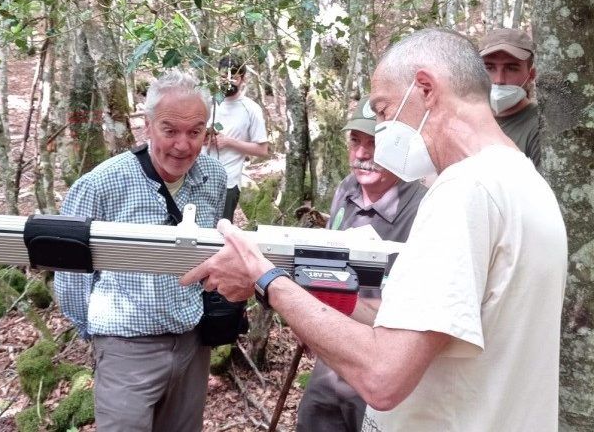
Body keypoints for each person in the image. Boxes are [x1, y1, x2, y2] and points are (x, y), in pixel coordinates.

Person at [183, 29, 568, 431]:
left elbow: (383, 377)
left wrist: (267, 280)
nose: (381, 132)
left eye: (383, 111)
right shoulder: (525, 183)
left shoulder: (463, 191)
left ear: (425, 88)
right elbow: (432, 329)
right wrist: (295, 279)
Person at [54, 70, 227, 432]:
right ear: (147, 127)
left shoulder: (213, 177)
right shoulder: (100, 185)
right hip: (126, 347)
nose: (183, 145)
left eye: (195, 132)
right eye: (170, 130)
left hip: (193, 343)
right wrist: (100, 337)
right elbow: (69, 275)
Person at [297, 96, 426, 432]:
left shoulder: (423, 207)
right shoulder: (346, 189)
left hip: (382, 366)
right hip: (331, 357)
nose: (362, 154)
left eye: (375, 143)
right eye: (355, 141)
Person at [203, 54, 269, 222]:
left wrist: (229, 142)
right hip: (199, 177)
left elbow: (262, 150)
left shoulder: (251, 109)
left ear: (242, 78)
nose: (228, 80)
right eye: (224, 76)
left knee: (221, 233)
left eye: (234, 76)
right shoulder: (208, 103)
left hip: (229, 182)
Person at [480, 28, 541, 166]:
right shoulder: (466, 118)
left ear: (531, 75)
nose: (499, 79)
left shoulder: (540, 128)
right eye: (489, 68)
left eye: (511, 68)